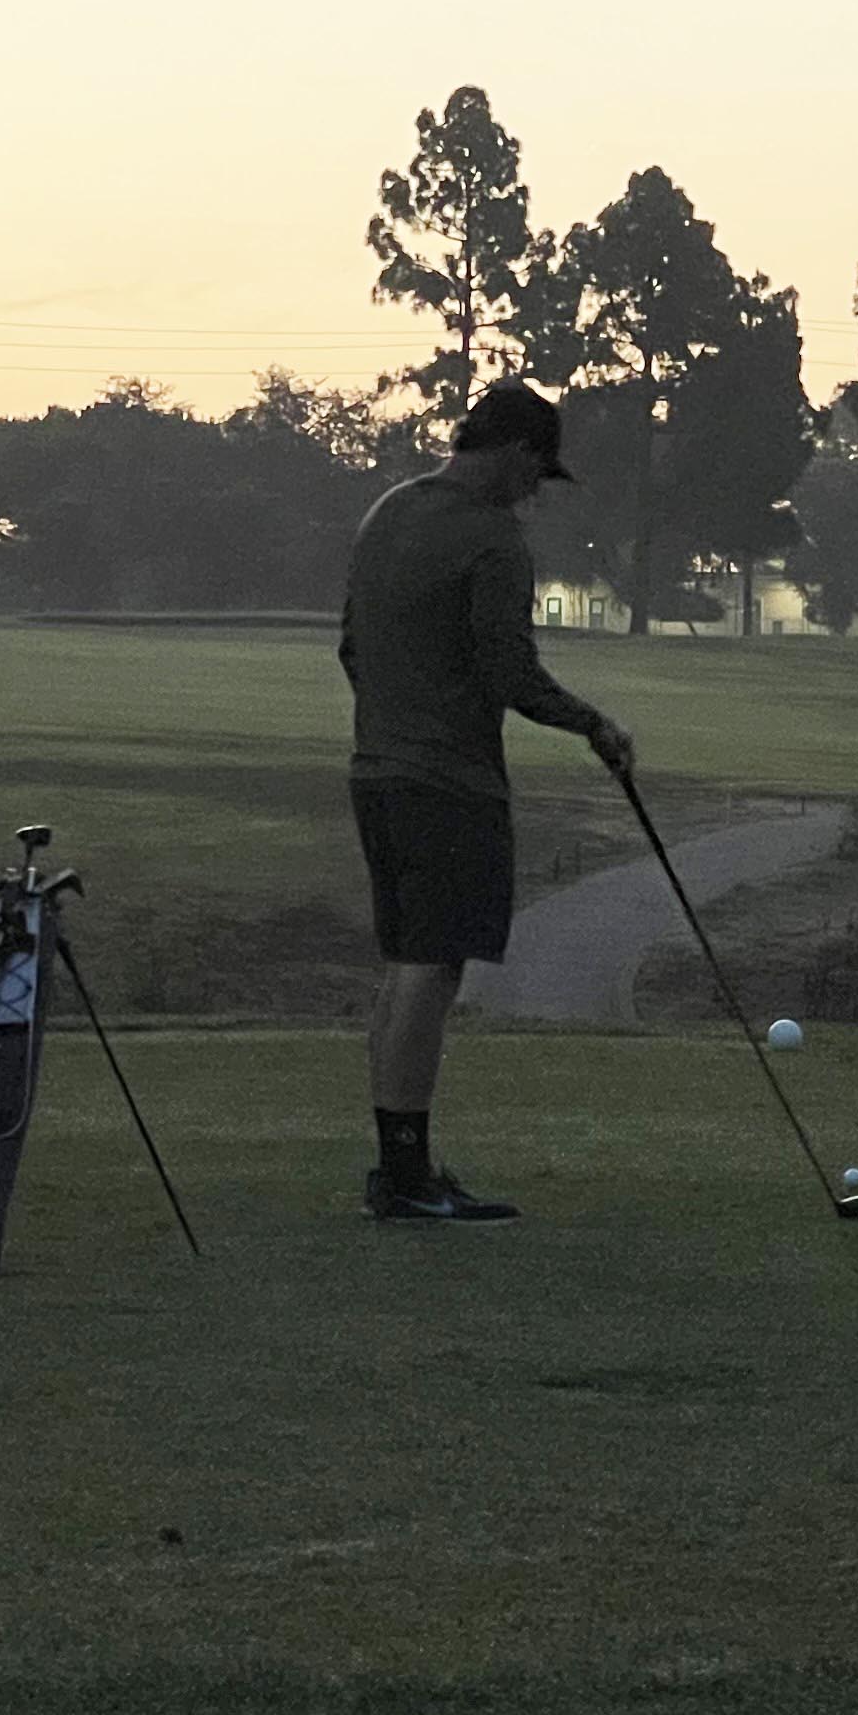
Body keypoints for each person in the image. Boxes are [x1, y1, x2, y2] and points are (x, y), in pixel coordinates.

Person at [336, 380, 632, 1221]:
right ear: (511, 452)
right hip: (449, 783)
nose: (537, 489)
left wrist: (395, 715)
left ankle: (399, 1165)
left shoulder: (387, 512)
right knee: (432, 971)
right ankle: (405, 1178)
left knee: (407, 966)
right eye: (538, 469)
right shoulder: (492, 540)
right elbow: (513, 676)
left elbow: (353, 647)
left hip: (377, 773)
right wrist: (595, 726)